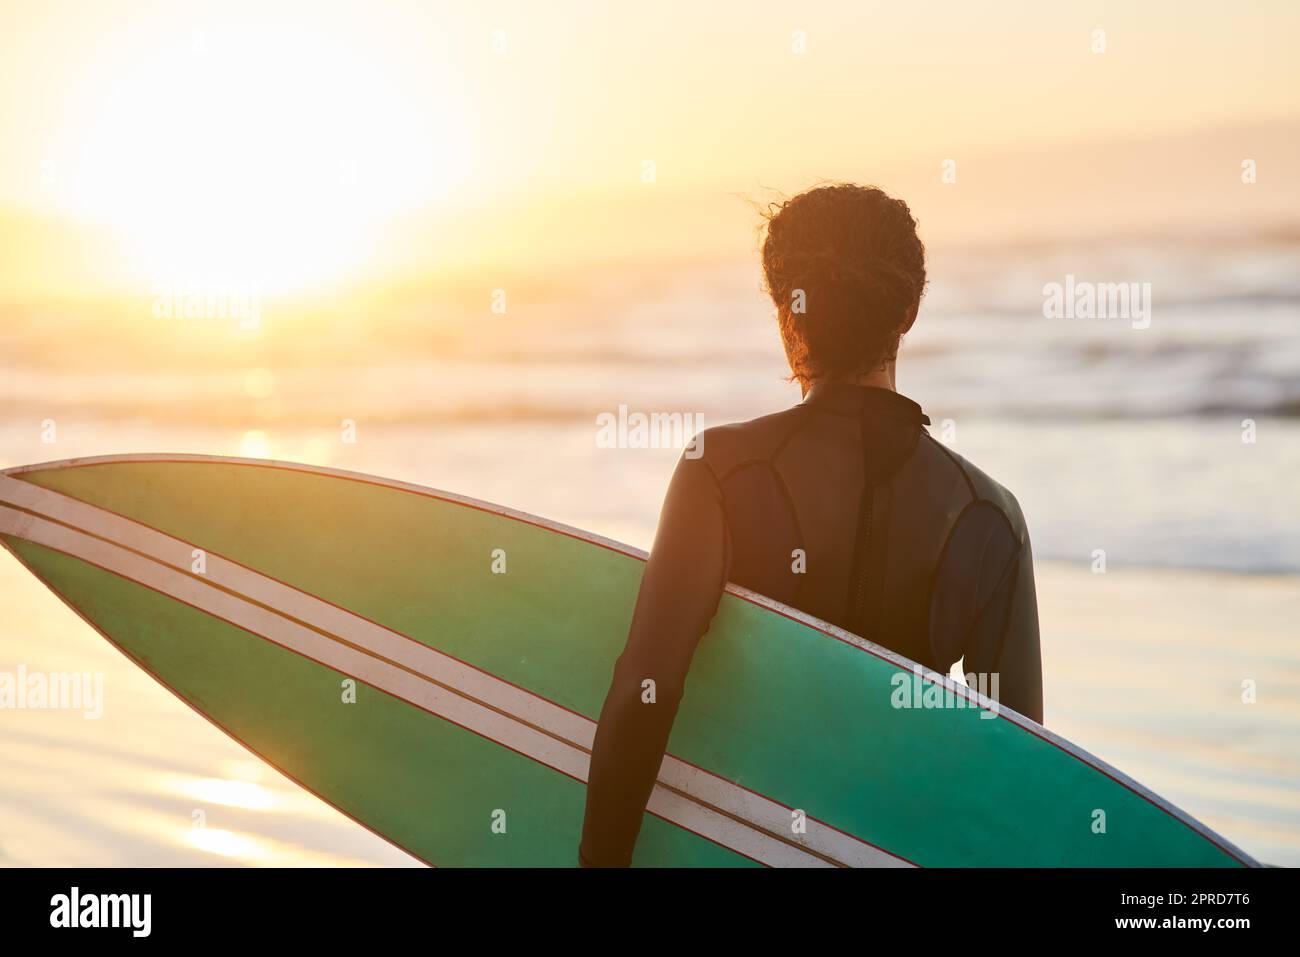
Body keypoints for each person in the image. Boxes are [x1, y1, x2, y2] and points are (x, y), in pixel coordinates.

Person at [579, 183, 1042, 867]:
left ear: (785, 312)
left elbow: (647, 689)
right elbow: (1022, 770)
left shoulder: (721, 473)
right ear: (909, 312)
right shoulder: (990, 518)